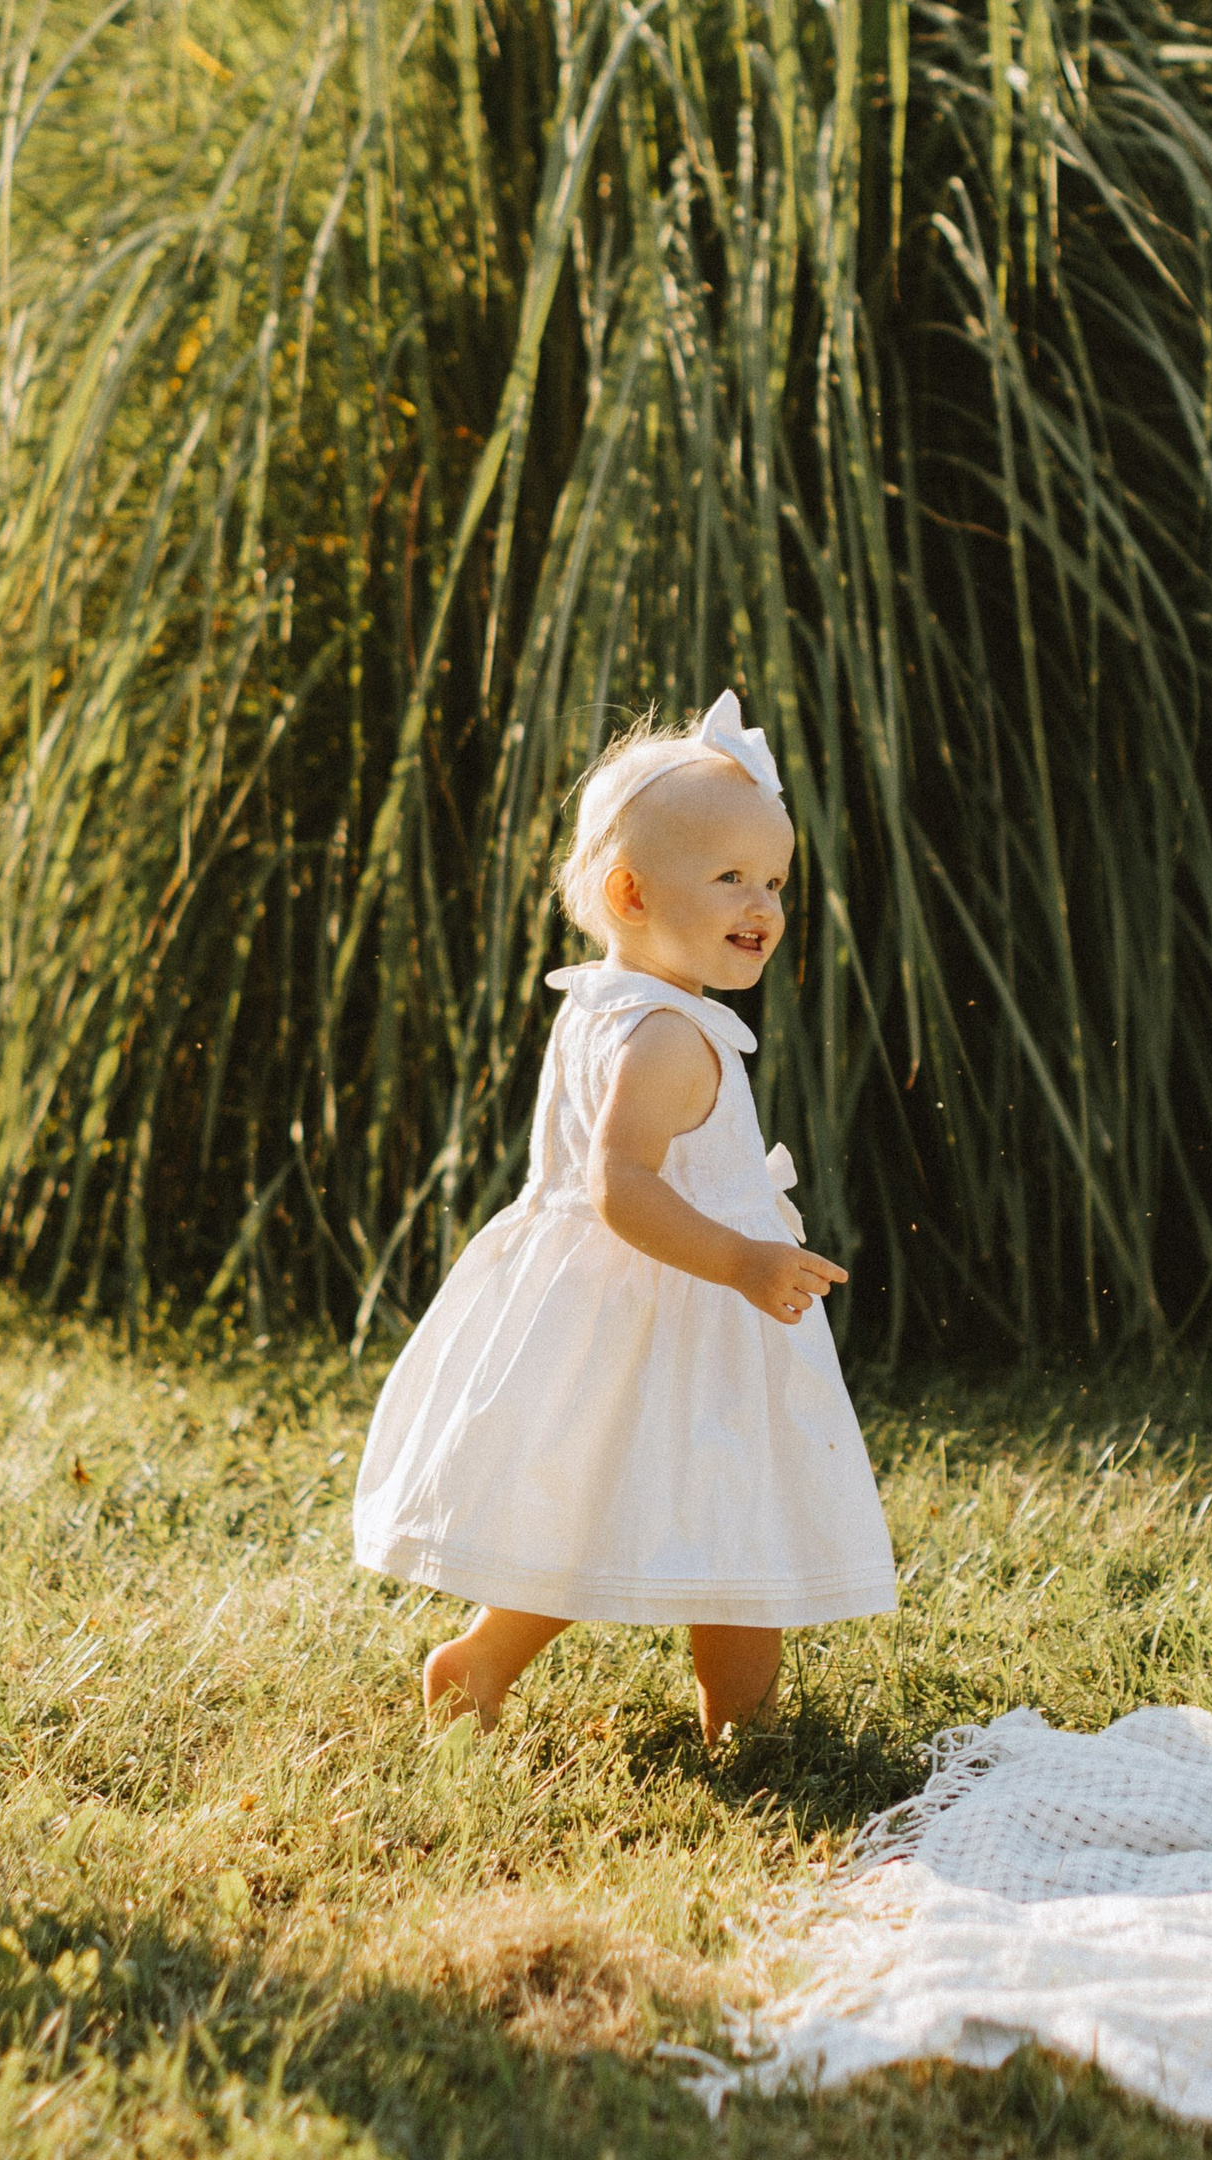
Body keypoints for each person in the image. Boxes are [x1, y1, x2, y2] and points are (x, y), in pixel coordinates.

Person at [353, 692, 896, 1741]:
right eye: (730, 876)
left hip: (614, 1309)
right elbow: (622, 1186)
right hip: (688, 1305)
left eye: (774, 879)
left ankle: (482, 1660)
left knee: (582, 1509)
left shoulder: (603, 1002)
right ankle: (746, 1725)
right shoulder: (666, 1039)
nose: (763, 903)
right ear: (629, 890)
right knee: (741, 1532)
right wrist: (741, 1259)